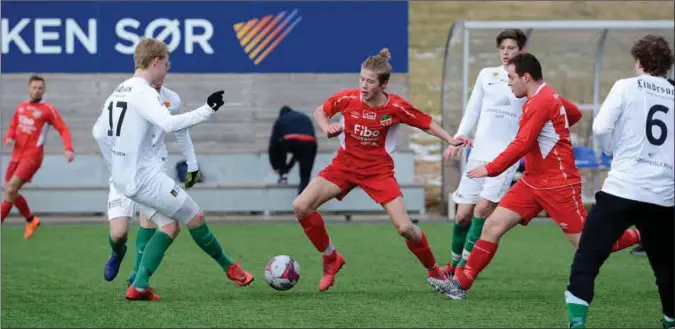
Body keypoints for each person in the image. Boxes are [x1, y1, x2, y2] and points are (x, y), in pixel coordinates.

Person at [431, 53, 641, 299]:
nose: (508, 83)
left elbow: (521, 144)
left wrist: (490, 169)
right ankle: (460, 284)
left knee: (588, 245)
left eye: (511, 78)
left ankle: (644, 233)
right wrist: (557, 124)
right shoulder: (544, 95)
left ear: (526, 77)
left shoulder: (540, 102)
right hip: (532, 181)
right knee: (492, 225)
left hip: (558, 184)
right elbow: (572, 113)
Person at [291, 48, 465, 293]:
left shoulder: (395, 107)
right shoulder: (347, 98)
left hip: (378, 172)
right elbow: (320, 111)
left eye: (370, 81)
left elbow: (426, 123)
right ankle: (331, 258)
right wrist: (326, 126)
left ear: (384, 84)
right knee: (301, 206)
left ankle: (435, 272)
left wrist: (450, 138)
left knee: (405, 228)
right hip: (344, 166)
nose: (363, 85)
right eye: (362, 78)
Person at [100, 38, 253, 301]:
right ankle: (229, 267)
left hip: (125, 177)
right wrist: (208, 109)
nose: (166, 72)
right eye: (166, 66)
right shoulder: (143, 91)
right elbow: (169, 124)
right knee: (196, 217)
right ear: (156, 62)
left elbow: (101, 132)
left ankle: (139, 284)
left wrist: (119, 161)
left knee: (169, 226)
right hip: (145, 177)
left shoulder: (119, 90)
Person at [564, 34, 674, 329]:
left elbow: (601, 127)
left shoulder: (626, 86)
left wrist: (611, 150)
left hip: (622, 188)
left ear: (638, 62)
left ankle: (577, 323)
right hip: (662, 194)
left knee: (588, 256)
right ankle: (670, 321)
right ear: (668, 66)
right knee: (666, 269)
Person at [93, 83, 203, 286]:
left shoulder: (172, 98)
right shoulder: (129, 92)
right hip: (125, 169)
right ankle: (118, 251)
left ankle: (137, 275)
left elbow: (180, 130)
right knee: (118, 234)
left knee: (149, 220)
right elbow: (102, 132)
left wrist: (192, 164)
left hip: (153, 167)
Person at [444, 29, 528, 277]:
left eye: (511, 48)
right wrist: (458, 138)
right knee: (462, 216)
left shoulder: (527, 80)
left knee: (481, 211)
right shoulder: (487, 75)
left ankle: (461, 272)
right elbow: (473, 110)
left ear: (521, 50)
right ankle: (452, 263)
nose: (506, 53)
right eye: (502, 48)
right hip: (478, 154)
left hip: (504, 159)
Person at [1, 75, 75, 239]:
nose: (37, 90)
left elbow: (63, 128)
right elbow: (13, 126)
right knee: (9, 191)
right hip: (16, 155)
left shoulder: (47, 110)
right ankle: (31, 219)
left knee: (11, 188)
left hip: (32, 157)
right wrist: (9, 137)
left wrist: (68, 148)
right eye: (34, 87)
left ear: (44, 90)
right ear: (29, 88)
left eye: (40, 88)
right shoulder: (21, 107)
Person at [268, 105, 317, 194]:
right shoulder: (304, 117)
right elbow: (299, 153)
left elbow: (272, 145)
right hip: (311, 143)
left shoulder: (281, 119)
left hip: (291, 141)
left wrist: (275, 166)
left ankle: (282, 174)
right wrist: (289, 167)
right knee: (305, 177)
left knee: (279, 146)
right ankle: (302, 201)